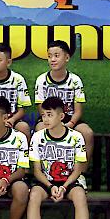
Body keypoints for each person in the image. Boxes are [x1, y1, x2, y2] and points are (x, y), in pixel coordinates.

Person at [22, 97, 92, 219]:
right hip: (47, 181)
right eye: (43, 115)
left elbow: (78, 169)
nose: (45, 119)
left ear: (61, 116)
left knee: (80, 196)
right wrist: (51, 186)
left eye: (49, 115)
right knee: (34, 196)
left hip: (70, 181)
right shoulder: (38, 137)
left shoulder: (76, 137)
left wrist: (64, 187)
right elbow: (37, 171)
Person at [34, 40, 93, 174]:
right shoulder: (41, 80)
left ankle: (80, 174)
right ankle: (44, 173)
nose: (52, 60)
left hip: (70, 119)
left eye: (56, 55)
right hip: (48, 119)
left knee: (87, 133)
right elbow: (41, 109)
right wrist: (53, 123)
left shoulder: (75, 80)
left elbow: (78, 110)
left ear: (66, 58)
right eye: (50, 56)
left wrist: (70, 124)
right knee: (39, 129)